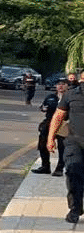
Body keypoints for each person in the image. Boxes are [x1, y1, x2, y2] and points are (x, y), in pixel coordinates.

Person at [47, 79, 84, 222]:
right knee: (74, 173)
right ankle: (75, 209)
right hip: (75, 142)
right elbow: (58, 116)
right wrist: (51, 138)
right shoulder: (71, 95)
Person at [33, 78, 68, 176]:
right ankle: (45, 166)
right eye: (58, 84)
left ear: (67, 86)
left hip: (64, 123)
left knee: (62, 146)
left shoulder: (69, 97)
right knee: (42, 143)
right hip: (49, 122)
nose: (60, 86)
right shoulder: (51, 97)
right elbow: (43, 107)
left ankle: (60, 168)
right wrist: (43, 108)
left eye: (63, 84)